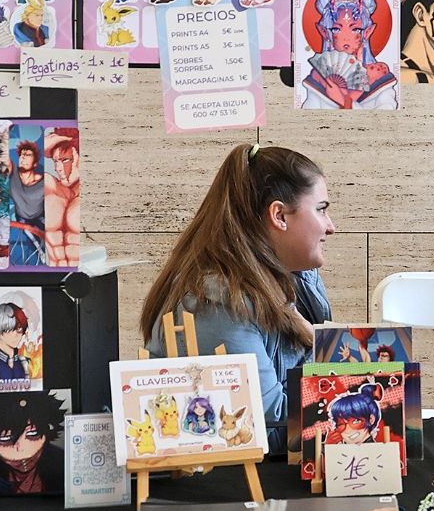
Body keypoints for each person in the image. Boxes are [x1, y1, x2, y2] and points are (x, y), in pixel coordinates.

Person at [138, 145, 334, 453]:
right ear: (279, 215)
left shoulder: (296, 278)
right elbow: (267, 430)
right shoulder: (218, 304)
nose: (330, 226)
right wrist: (328, 349)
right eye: (321, 209)